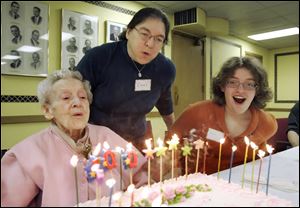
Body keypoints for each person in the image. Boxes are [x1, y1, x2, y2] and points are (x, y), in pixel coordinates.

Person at [1, 70, 147, 206]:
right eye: (66, 98)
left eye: (83, 97)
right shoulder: (29, 152)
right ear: (47, 110)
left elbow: (143, 179)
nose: (78, 103)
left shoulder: (107, 137)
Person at [77, 7, 176, 153]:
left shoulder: (164, 69)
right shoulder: (99, 58)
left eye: (159, 39)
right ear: (129, 31)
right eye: (144, 34)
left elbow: (165, 104)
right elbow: (74, 98)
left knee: (137, 176)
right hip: (97, 140)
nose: (150, 44)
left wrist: (175, 133)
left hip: (136, 142)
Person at [167, 56, 277, 175]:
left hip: (241, 188)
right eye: (233, 82)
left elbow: (261, 158)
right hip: (199, 186)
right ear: (222, 86)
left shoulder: (266, 123)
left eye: (249, 84)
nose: (240, 90)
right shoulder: (196, 113)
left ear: (258, 90)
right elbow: (168, 144)